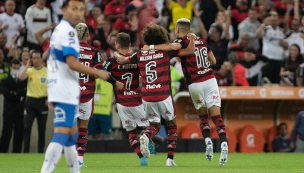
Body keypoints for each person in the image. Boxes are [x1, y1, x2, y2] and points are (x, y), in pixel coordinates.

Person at [142, 18, 229, 166]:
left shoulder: (181, 41)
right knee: (217, 117)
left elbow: (170, 47)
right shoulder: (201, 40)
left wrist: (150, 47)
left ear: (177, 29)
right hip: (210, 80)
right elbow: (213, 61)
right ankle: (224, 145)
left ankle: (208, 142)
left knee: (203, 116)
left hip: (195, 83)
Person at [40, 0, 111, 172]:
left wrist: (51, 91)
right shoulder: (69, 32)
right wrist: (98, 72)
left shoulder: (58, 30)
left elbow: (52, 61)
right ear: (63, 9)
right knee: (61, 134)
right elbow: (71, 63)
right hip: (66, 91)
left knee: (72, 137)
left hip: (64, 90)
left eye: (81, 9)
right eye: (74, 8)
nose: (78, 13)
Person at [115, 23, 195, 166]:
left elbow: (122, 60)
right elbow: (188, 51)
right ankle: (170, 159)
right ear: (161, 37)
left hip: (146, 96)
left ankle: (146, 135)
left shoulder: (139, 54)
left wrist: (115, 53)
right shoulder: (166, 52)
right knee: (172, 125)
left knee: (154, 125)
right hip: (163, 93)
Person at [74, 23, 123, 167]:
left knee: (67, 128)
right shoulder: (93, 52)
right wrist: (115, 83)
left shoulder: (69, 51)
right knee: (83, 129)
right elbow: (101, 72)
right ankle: (80, 160)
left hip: (70, 95)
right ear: (88, 35)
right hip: (86, 94)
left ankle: (58, 157)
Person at [104, 32, 150, 165]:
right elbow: (145, 72)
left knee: (131, 133)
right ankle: (147, 141)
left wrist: (114, 82)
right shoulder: (135, 59)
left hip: (122, 103)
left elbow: (103, 73)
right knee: (149, 128)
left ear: (116, 45)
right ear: (130, 45)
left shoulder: (112, 62)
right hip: (136, 101)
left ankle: (142, 158)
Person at [19, 50, 48, 153]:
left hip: (42, 102)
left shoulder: (47, 71)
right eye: (33, 58)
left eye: (37, 58)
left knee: (42, 129)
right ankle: (25, 152)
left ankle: (40, 152)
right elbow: (21, 77)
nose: (35, 60)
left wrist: (49, 99)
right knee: (27, 128)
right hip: (30, 102)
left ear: (41, 59)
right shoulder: (29, 70)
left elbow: (52, 87)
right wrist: (27, 65)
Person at [0, 59, 26, 153]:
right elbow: (6, 93)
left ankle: (17, 153)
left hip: (19, 111)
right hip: (8, 111)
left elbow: (25, 92)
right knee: (6, 133)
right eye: (14, 67)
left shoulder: (22, 80)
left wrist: (15, 93)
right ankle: (3, 152)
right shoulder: (5, 80)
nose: (15, 69)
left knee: (19, 133)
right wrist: (17, 94)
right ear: (10, 67)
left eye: (17, 67)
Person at [256, 11, 287, 84]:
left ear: (278, 21)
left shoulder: (281, 31)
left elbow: (286, 45)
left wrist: (284, 45)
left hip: (279, 59)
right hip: (268, 58)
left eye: (275, 20)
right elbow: (257, 34)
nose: (274, 22)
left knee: (276, 81)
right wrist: (263, 24)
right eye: (272, 20)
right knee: (266, 80)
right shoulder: (266, 29)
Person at [199, 6, 231, 71]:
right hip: (208, 69)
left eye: (213, 32)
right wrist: (198, 17)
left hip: (219, 70)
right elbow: (202, 29)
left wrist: (228, 16)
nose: (211, 33)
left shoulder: (224, 42)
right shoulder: (209, 41)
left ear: (218, 33)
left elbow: (227, 28)